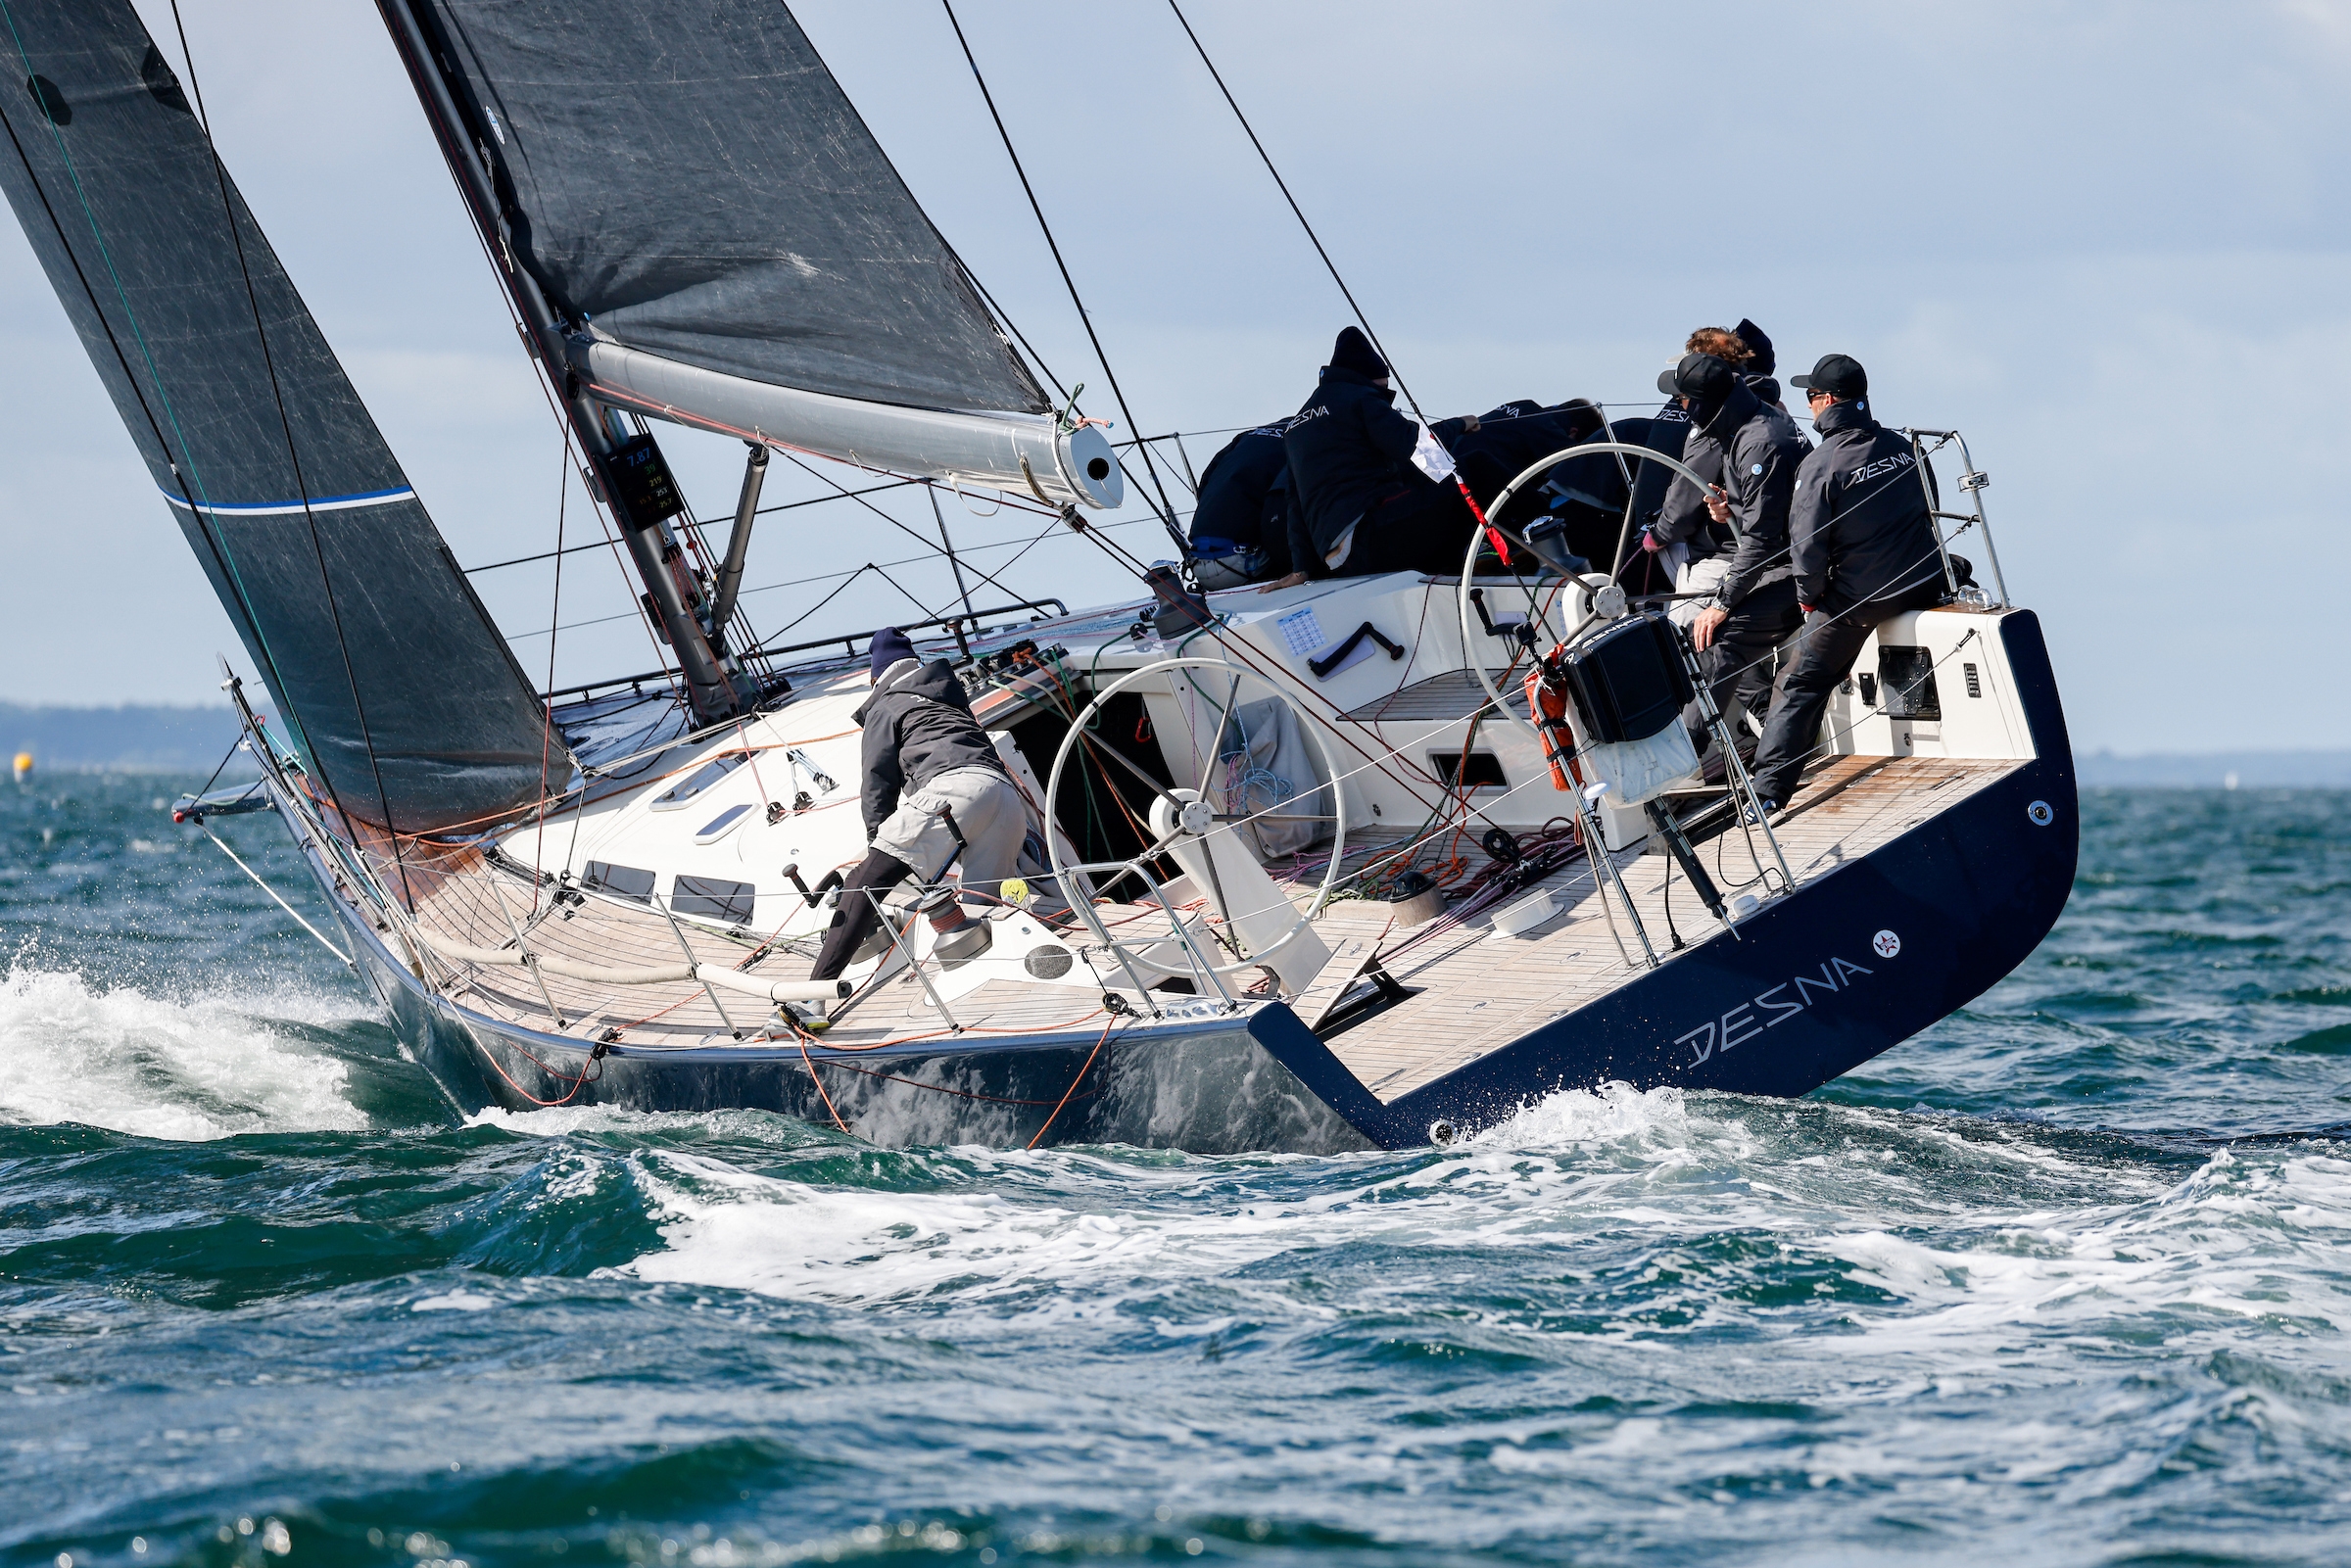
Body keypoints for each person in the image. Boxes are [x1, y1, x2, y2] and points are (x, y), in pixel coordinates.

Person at [1749, 355, 1948, 810]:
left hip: (1859, 601)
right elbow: (1930, 510)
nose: (1809, 406)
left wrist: (1808, 598)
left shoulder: (1820, 465)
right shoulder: (1904, 446)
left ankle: (1767, 795)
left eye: (1811, 397)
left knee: (1798, 683)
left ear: (1828, 400)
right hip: (1923, 580)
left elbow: (1807, 548)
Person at [809, 628, 1033, 986]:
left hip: (952, 792)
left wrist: (877, 858)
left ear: (874, 677)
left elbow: (877, 787)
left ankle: (808, 997)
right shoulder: (948, 696)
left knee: (860, 885)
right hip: (1005, 797)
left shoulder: (885, 704)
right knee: (981, 912)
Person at [1650, 350, 1807, 756]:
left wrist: (1721, 603)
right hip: (1786, 558)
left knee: (1715, 634)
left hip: (1802, 569)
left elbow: (1761, 541)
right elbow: (1768, 512)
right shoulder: (1750, 424)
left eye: (1682, 399)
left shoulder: (1758, 443)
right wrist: (1728, 509)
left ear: (1701, 403)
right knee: (1714, 628)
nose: (1679, 406)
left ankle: (1685, 754)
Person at [1276, 327, 1477, 580]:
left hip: (1339, 561)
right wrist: (1460, 424)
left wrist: (1301, 569)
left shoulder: (1296, 427)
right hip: (1370, 537)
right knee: (1475, 467)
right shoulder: (1362, 397)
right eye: (1385, 390)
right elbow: (1416, 446)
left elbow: (1295, 503)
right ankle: (1534, 538)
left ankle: (1459, 561)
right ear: (1371, 378)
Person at [1186, 419, 1297, 587]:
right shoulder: (1306, 438)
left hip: (1196, 560)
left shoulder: (1249, 436)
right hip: (1240, 562)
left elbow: (1206, 481)